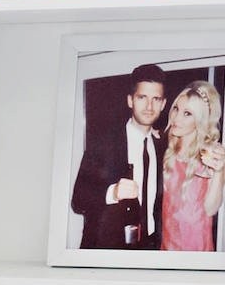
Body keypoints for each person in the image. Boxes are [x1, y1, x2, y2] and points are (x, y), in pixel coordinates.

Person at [70, 63, 167, 249]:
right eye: (142, 97)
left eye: (156, 99)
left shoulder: (162, 144)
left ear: (163, 104)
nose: (149, 106)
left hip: (150, 248)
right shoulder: (103, 143)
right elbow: (79, 199)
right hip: (108, 248)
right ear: (130, 100)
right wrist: (113, 192)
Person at [160, 81, 225, 252]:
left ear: (200, 120)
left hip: (196, 249)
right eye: (176, 109)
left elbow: (211, 209)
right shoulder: (166, 148)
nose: (176, 118)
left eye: (187, 113)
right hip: (166, 248)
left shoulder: (212, 153)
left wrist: (219, 172)